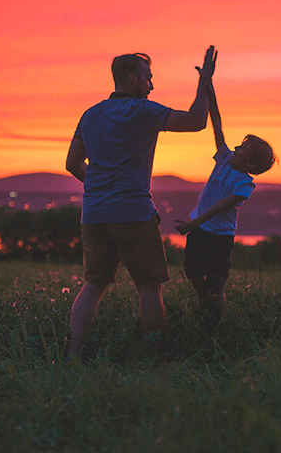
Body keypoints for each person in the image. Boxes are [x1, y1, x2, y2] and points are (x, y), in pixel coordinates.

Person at [64, 46, 218, 360]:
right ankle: (154, 356)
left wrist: (97, 187)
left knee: (93, 284)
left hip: (93, 215)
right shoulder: (143, 111)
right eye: (148, 78)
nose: (151, 86)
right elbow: (196, 121)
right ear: (133, 78)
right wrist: (205, 84)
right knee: (149, 287)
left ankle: (72, 354)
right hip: (133, 213)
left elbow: (72, 163)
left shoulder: (90, 115)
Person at [175, 76, 276, 328]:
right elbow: (217, 123)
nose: (235, 148)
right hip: (199, 230)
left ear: (249, 165)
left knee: (217, 282)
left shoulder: (243, 184)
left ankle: (215, 323)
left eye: (242, 149)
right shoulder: (224, 159)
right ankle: (204, 305)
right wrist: (209, 88)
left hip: (219, 237)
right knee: (194, 273)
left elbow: (220, 207)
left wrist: (193, 223)